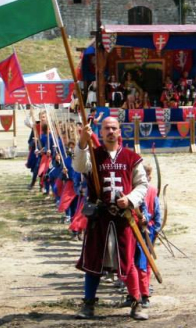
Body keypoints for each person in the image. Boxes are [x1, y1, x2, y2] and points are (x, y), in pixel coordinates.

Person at [73, 117, 150, 321]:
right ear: (101, 132)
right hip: (99, 218)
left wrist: (130, 199)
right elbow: (79, 167)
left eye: (113, 128)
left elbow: (142, 185)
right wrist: (82, 141)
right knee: (93, 260)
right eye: (106, 128)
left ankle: (137, 302)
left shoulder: (131, 157)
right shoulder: (93, 155)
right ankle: (88, 304)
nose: (110, 131)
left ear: (119, 132)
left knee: (127, 261)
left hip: (123, 218)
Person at [132, 163, 162, 309]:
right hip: (133, 231)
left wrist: (154, 231)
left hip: (145, 232)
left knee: (142, 264)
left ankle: (144, 295)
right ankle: (133, 294)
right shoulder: (133, 191)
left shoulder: (151, 191)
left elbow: (156, 215)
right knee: (134, 264)